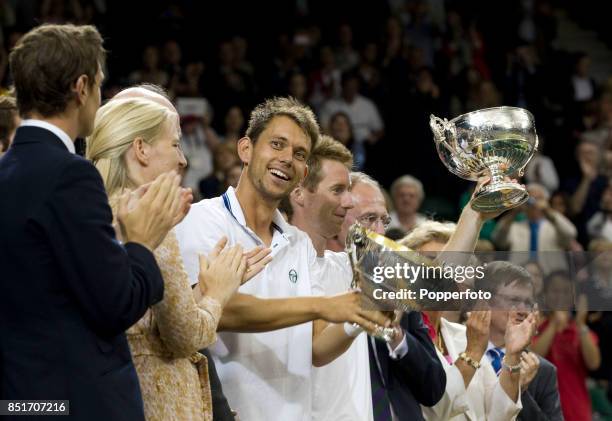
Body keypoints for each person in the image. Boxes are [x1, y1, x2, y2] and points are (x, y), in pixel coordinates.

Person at [0, 24, 188, 421]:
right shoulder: (71, 175)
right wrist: (141, 243)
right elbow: (115, 304)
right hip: (78, 402)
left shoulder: (6, 172)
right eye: (101, 84)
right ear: (81, 87)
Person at [176, 97, 390, 420]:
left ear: (304, 173)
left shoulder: (298, 243)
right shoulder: (202, 221)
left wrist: (356, 318)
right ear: (245, 149)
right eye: (277, 144)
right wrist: (322, 306)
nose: (287, 158)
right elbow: (216, 309)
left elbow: (316, 348)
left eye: (299, 154)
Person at [400, 223, 538, 421]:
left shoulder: (464, 335)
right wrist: (472, 352)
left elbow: (500, 414)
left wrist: (513, 355)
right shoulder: (399, 337)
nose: (444, 274)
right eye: (432, 263)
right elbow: (437, 408)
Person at [287, 135, 374, 420]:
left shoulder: (347, 266)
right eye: (338, 190)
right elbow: (317, 350)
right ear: (299, 193)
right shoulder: (276, 266)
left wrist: (474, 214)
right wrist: (361, 311)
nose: (350, 202)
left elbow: (435, 280)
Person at [532, 271, 601, 421]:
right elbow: (534, 357)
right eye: (555, 291)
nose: (560, 296)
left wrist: (581, 324)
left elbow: (594, 363)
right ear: (545, 294)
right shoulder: (535, 327)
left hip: (577, 410)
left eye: (566, 291)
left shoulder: (580, 331)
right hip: (543, 411)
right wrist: (553, 325)